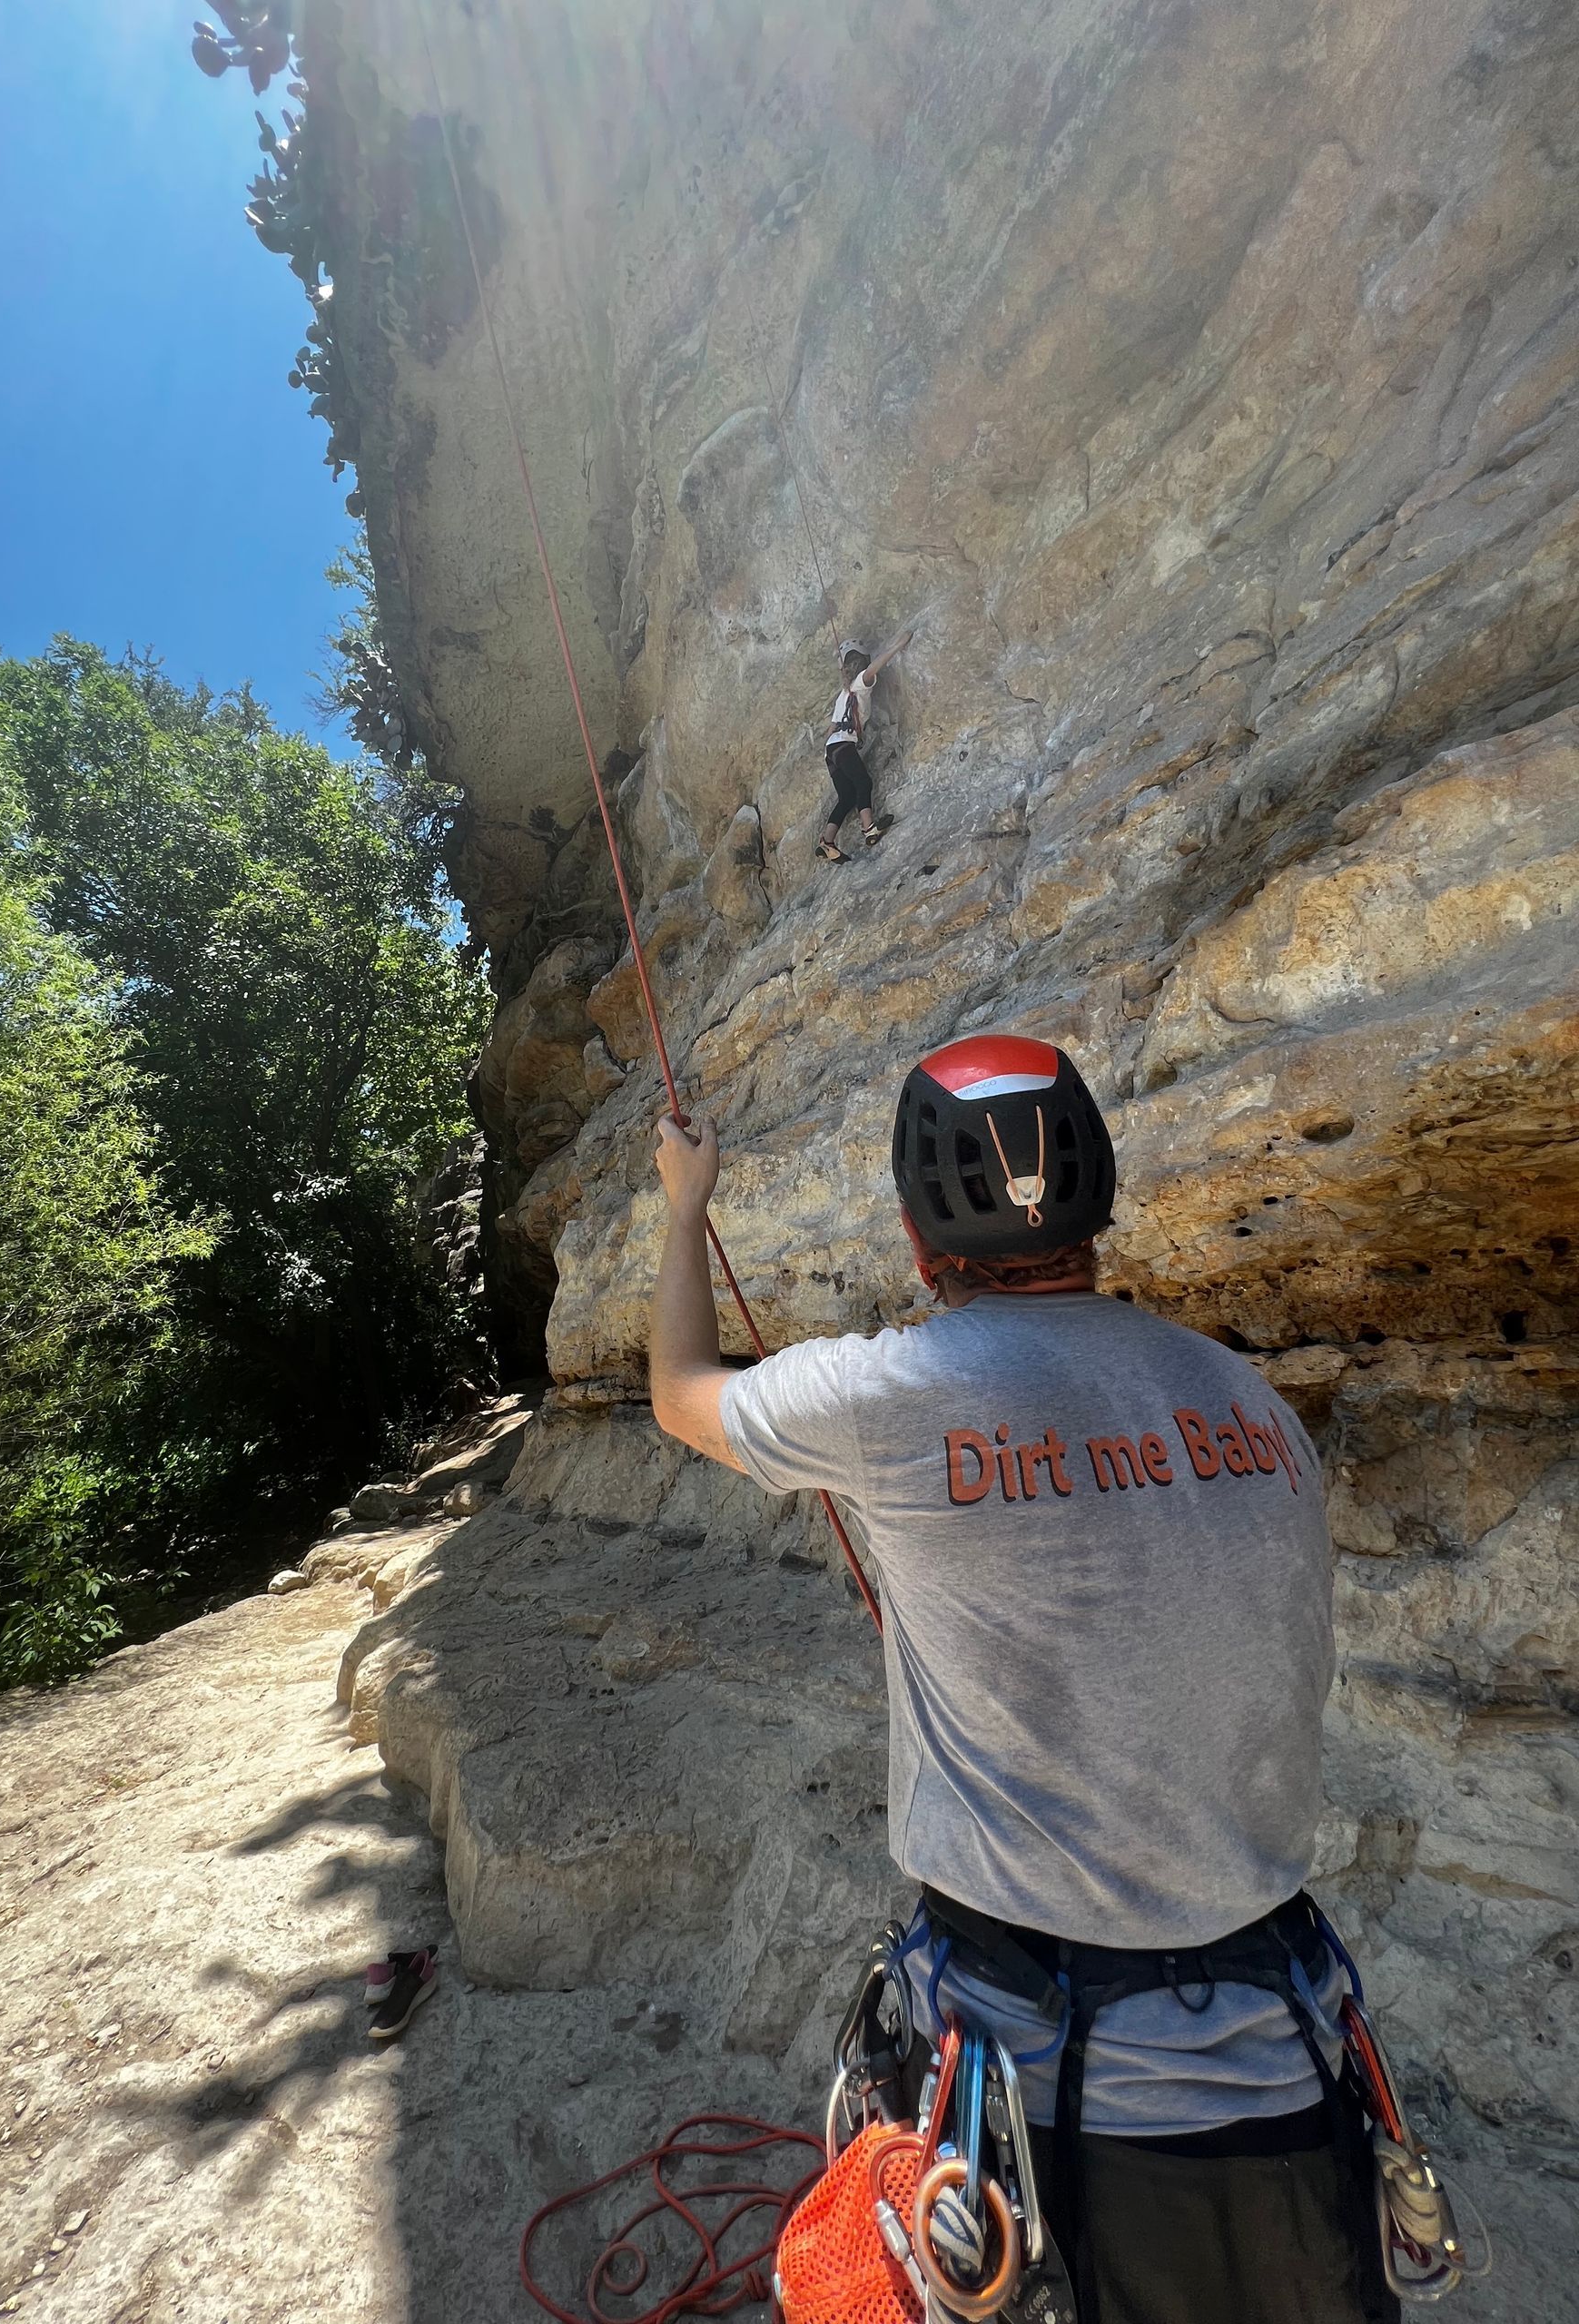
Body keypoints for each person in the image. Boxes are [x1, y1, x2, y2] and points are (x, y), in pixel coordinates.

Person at [646, 1034, 1394, 2324]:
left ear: (912, 1223)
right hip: (1286, 2055)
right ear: (1099, 1195)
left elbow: (680, 1392)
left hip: (1038, 2092)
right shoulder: (1248, 1402)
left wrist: (686, 1207)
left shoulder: (892, 1392)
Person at [818, 633, 912, 862]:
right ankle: (869, 828)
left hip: (831, 750)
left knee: (847, 797)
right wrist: (897, 646)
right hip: (843, 745)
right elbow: (872, 672)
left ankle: (826, 843)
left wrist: (832, 751)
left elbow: (830, 728)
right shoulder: (859, 683)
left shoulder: (843, 695)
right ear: (860, 661)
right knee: (863, 782)